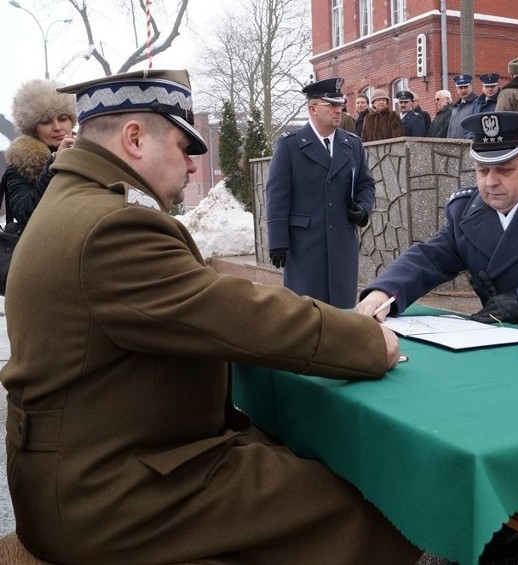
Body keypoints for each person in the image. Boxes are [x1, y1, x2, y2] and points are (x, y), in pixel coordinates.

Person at [0, 69, 420, 564]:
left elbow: (205, 300)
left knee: (294, 458)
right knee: (376, 506)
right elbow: (238, 314)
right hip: (110, 494)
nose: (194, 169)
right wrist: (368, 342)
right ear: (134, 138)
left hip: (98, 464)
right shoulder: (111, 225)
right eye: (184, 148)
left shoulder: (78, 201)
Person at [356, 111, 518, 336]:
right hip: (494, 342)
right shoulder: (464, 209)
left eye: (505, 170)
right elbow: (430, 257)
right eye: (482, 170)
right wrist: (384, 291)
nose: (491, 182)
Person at [266, 78, 376, 308]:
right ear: (313, 108)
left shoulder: (352, 144)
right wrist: (278, 242)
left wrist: (364, 208)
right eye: (331, 105)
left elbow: (366, 184)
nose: (339, 110)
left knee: (342, 312)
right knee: (306, 313)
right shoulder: (290, 145)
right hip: (305, 245)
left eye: (341, 105)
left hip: (342, 245)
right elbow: (277, 196)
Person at [0, 79, 76, 234]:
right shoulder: (21, 166)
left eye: (62, 118)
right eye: (46, 122)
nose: (57, 127)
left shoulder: (89, 151)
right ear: (33, 129)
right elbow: (25, 215)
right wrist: (54, 165)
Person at [446, 74, 478, 139]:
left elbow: (476, 125)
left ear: (470, 87)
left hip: (468, 145)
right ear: (457, 89)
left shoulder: (476, 103)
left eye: (466, 87)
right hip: (454, 145)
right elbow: (450, 128)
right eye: (460, 88)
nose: (463, 90)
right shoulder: (455, 107)